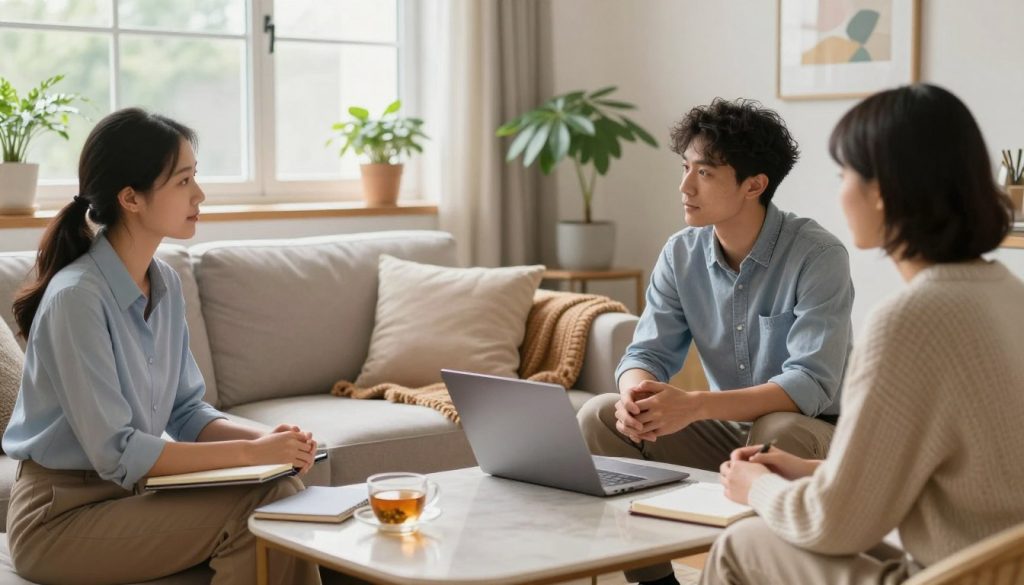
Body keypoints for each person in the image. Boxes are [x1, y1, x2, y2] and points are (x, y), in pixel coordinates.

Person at [709, 83, 1024, 584]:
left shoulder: (912, 318)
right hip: (996, 566)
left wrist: (756, 488)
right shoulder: (1009, 294)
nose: (841, 192)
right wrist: (802, 470)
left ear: (880, 193)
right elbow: (930, 480)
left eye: (844, 174)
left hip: (952, 575)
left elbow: (834, 525)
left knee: (742, 542)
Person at [2, 108, 322, 585]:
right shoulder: (76, 300)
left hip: (128, 501)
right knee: (265, 502)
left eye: (197, 177)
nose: (200, 194)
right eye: (183, 180)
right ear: (131, 198)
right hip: (58, 521)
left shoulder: (165, 283)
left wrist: (270, 442)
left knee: (283, 485)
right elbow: (119, 452)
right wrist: (251, 456)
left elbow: (186, 411)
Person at [577, 96, 855, 585]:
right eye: (685, 168)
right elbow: (645, 353)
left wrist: (695, 404)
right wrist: (636, 395)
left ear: (755, 185)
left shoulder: (818, 255)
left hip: (809, 438)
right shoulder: (680, 253)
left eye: (704, 173)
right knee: (600, 416)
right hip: (724, 433)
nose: (685, 186)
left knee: (777, 429)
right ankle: (655, 582)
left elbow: (808, 385)